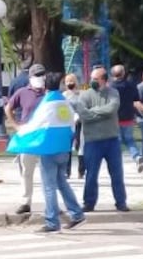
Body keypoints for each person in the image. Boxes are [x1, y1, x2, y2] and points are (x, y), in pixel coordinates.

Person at [7, 72, 85, 233]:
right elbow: (73, 120)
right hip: (64, 148)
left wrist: (20, 132)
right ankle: (76, 213)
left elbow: (36, 124)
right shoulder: (64, 101)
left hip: (49, 148)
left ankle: (52, 221)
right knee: (61, 183)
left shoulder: (47, 103)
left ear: (45, 86)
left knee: (49, 187)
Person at [69, 67, 129, 212]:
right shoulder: (85, 95)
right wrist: (97, 113)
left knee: (117, 173)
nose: (92, 81)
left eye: (96, 79)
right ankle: (89, 203)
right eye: (92, 78)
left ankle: (121, 202)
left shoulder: (113, 93)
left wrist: (93, 111)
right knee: (91, 174)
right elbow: (84, 115)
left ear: (104, 80)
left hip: (112, 140)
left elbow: (112, 109)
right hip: (92, 141)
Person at [6, 63, 47, 214]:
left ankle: (50, 202)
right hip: (28, 136)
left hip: (44, 136)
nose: (40, 78)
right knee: (26, 171)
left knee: (47, 171)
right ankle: (25, 202)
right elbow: (8, 108)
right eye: (37, 75)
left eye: (42, 75)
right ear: (30, 77)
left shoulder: (48, 93)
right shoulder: (22, 92)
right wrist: (16, 126)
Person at [110, 64, 143, 173]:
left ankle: (117, 164)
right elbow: (136, 99)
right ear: (123, 73)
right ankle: (137, 156)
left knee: (117, 142)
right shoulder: (131, 85)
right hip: (128, 117)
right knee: (129, 140)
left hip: (115, 118)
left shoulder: (110, 87)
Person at [63, 73, 85, 179]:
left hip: (80, 122)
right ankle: (67, 171)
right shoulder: (63, 95)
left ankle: (81, 171)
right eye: (68, 82)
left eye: (72, 81)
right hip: (68, 123)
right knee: (68, 147)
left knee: (80, 146)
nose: (70, 84)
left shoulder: (81, 94)